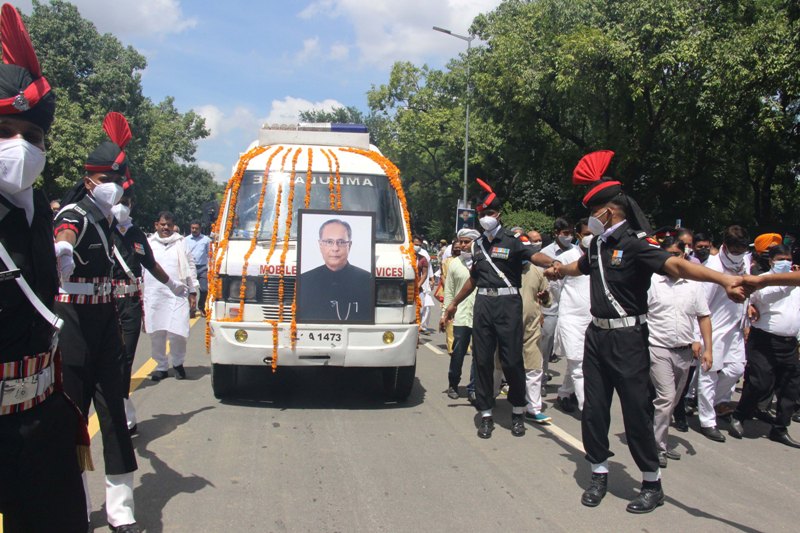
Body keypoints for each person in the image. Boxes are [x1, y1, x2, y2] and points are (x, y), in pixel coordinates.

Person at [545, 150, 744, 513]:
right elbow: (580, 266)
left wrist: (724, 278)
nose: (590, 220)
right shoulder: (599, 246)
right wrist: (559, 271)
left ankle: (651, 482)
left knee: (637, 411)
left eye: (593, 213)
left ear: (607, 212)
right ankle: (599, 471)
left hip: (629, 340)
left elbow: (678, 267)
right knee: (595, 411)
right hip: (597, 337)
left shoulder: (637, 246)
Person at [0, 5, 88, 531]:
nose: (20, 147)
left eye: (32, 136)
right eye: (5, 129)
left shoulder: (35, 208)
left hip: (41, 419)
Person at [54, 112, 141, 532]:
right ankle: (74, 501)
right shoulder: (77, 210)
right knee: (74, 414)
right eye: (109, 178)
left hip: (104, 318)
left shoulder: (109, 218)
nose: (115, 187)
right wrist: (64, 250)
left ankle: (120, 505)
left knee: (113, 410)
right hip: (73, 321)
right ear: (90, 179)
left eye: (118, 180)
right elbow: (66, 230)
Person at [443, 178, 541, 439]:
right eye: (482, 214)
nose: (486, 218)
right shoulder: (477, 246)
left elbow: (534, 256)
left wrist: (553, 264)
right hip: (483, 305)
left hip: (508, 304)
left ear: (498, 215)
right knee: (482, 360)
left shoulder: (513, 240)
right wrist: (454, 303)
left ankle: (518, 410)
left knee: (511, 361)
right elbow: (474, 279)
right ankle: (486, 413)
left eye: (490, 213)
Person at [111, 190, 188, 431]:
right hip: (104, 302)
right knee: (106, 358)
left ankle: (125, 416)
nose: (121, 207)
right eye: (117, 203)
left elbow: (150, 264)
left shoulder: (136, 235)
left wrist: (174, 285)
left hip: (131, 303)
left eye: (125, 202)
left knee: (125, 358)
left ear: (131, 204)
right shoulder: (101, 229)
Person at [646, 237, 713, 468]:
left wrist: (707, 348)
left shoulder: (694, 285)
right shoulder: (651, 282)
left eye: (679, 254)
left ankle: (656, 436)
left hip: (684, 351)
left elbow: (703, 316)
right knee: (665, 398)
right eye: (670, 254)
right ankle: (657, 448)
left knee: (673, 400)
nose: (675, 259)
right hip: (657, 347)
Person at [730, 245, 800, 448]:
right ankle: (740, 415)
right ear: (771, 261)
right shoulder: (761, 281)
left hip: (788, 343)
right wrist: (750, 305)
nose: (784, 262)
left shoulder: (796, 281)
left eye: (787, 258)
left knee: (790, 388)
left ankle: (780, 428)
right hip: (764, 341)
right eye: (780, 259)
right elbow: (749, 299)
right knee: (759, 382)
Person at [696, 225, 750, 442]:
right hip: (714, 328)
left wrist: (747, 314)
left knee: (736, 369)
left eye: (742, 250)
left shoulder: (745, 261)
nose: (738, 255)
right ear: (725, 246)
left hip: (735, 327)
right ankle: (707, 420)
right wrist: (697, 337)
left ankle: (719, 402)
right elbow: (701, 303)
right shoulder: (713, 266)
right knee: (708, 373)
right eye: (735, 250)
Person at [143, 211, 198, 381]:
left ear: (173, 225)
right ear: (156, 225)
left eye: (169, 224)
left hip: (178, 293)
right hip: (154, 294)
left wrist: (193, 290)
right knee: (157, 332)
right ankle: (160, 366)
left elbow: (190, 266)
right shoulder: (148, 243)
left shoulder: (181, 243)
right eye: (162, 224)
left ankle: (178, 364)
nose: (166, 227)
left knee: (178, 332)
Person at [297, 218, 372, 322]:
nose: (335, 248)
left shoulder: (367, 280)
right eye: (329, 242)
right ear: (320, 245)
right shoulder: (304, 281)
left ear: (349, 245)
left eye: (341, 242)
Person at [553, 219, 593, 413]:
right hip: (571, 317)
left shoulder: (601, 256)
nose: (591, 238)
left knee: (580, 360)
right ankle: (588, 409)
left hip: (593, 318)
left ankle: (564, 392)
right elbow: (555, 288)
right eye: (587, 234)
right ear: (578, 236)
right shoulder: (567, 258)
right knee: (578, 363)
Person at [441, 228, 480, 401]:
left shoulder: (483, 262)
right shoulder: (454, 264)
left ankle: (473, 388)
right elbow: (449, 291)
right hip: (461, 315)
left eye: (467, 242)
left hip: (481, 315)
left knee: (479, 355)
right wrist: (445, 314)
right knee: (458, 352)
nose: (463, 245)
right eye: (461, 242)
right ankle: (453, 384)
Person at [520, 235, 552, 424]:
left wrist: (545, 296)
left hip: (531, 327)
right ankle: (489, 399)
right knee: (498, 364)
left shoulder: (538, 272)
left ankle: (533, 408)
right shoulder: (503, 269)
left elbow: (547, 301)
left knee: (533, 367)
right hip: (506, 326)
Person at [534, 218, 574, 367]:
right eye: (565, 233)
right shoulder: (545, 254)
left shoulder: (576, 252)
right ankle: (541, 379)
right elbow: (538, 281)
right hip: (550, 307)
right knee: (544, 346)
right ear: (556, 233)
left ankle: (572, 384)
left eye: (571, 233)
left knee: (572, 348)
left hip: (571, 306)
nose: (569, 236)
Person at [187, 220, 211, 313]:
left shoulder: (206, 240)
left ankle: (201, 307)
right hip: (190, 268)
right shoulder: (185, 240)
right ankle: (191, 309)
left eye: (196, 228)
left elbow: (210, 254)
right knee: (190, 290)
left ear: (200, 229)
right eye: (192, 228)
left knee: (204, 289)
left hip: (202, 268)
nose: (194, 230)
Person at [413, 235, 436, 333]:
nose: (416, 246)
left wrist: (431, 279)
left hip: (420, 286)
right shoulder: (405, 255)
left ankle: (420, 326)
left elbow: (426, 272)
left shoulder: (423, 257)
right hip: (407, 287)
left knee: (422, 308)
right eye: (415, 244)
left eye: (418, 244)